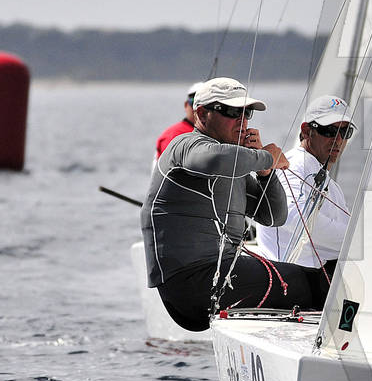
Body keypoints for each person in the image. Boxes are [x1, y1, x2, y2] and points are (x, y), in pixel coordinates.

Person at [141, 77, 331, 332]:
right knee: (313, 282)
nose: (242, 120)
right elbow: (213, 160)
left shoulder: (233, 168)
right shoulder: (185, 145)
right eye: (231, 112)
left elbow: (274, 216)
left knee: (319, 276)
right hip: (190, 282)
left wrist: (265, 173)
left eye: (247, 113)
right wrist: (264, 157)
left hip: (216, 278)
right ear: (202, 114)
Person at [254, 94, 355, 273]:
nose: (338, 140)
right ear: (307, 131)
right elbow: (293, 217)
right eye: (329, 131)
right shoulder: (295, 165)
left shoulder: (331, 185)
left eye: (345, 132)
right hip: (291, 275)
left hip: (315, 273)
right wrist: (358, 241)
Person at [154, 81, 207, 157]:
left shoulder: (216, 133)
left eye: (205, 104)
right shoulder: (173, 135)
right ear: (186, 105)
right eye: (194, 103)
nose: (198, 109)